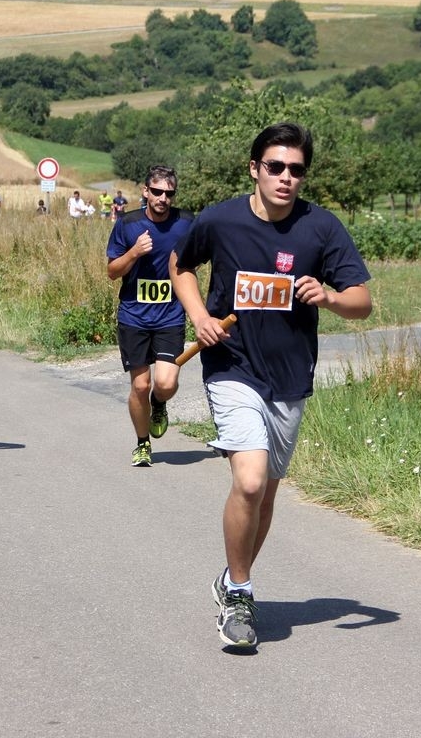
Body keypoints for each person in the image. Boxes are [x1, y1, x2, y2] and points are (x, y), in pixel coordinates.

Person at [170, 122, 373, 649]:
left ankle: (230, 577)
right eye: (276, 167)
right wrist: (199, 316)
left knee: (266, 495)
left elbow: (362, 302)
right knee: (252, 479)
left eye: (297, 170)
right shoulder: (221, 220)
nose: (286, 178)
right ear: (255, 169)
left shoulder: (321, 229)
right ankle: (239, 594)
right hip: (232, 366)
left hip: (290, 378)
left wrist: (328, 297)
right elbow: (182, 264)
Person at [106, 165, 194, 468]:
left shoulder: (186, 223)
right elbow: (111, 272)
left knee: (166, 384)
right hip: (134, 316)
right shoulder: (128, 224)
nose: (163, 198)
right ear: (146, 192)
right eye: (157, 192)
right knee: (140, 386)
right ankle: (142, 444)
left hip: (170, 315)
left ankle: (159, 404)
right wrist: (133, 253)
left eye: (169, 193)